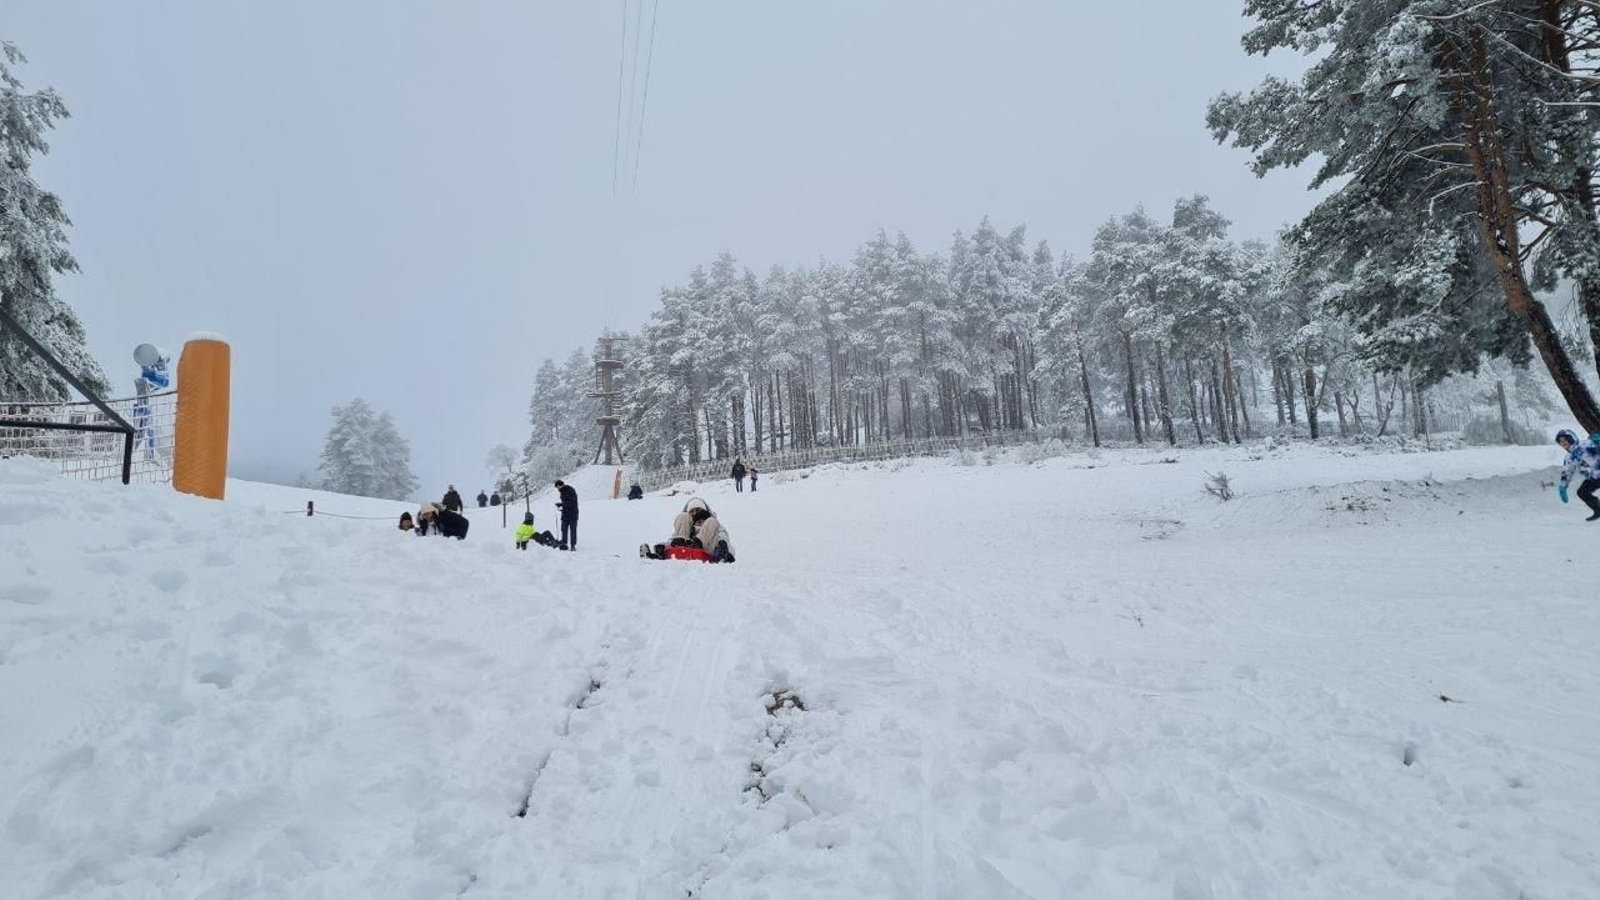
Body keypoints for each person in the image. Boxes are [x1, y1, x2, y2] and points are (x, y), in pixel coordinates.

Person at [1555, 429, 1600, 521]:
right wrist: (1563, 487)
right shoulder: (1569, 457)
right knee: (1582, 492)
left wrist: (1598, 443)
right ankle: (1598, 510)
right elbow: (1567, 472)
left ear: (1571, 438)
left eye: (1564, 440)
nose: (1563, 443)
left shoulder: (1585, 444)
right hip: (1594, 477)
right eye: (1560, 441)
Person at [554, 479, 579, 550]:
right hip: (565, 514)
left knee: (573, 530)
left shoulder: (571, 490)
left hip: (573, 514)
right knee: (564, 529)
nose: (557, 489)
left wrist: (562, 504)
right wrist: (561, 506)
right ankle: (564, 543)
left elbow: (572, 503)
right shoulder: (562, 492)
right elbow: (566, 503)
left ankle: (573, 545)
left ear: (561, 485)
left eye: (557, 487)